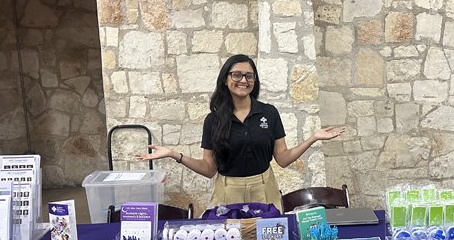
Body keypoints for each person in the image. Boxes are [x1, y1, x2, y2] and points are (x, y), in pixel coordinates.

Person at [137, 54, 345, 211]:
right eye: (237, 74)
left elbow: (282, 158)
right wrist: (175, 155)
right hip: (228, 191)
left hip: (264, 187)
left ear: (254, 81)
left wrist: (313, 138)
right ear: (226, 80)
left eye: (249, 76)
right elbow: (209, 169)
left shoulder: (268, 113)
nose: (243, 80)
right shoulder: (214, 120)